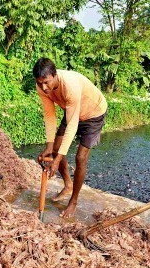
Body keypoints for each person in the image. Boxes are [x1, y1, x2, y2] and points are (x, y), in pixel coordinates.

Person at [33, 58, 107, 218]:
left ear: (55, 75)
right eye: (40, 83)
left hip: (93, 113)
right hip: (71, 111)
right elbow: (49, 115)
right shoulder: (41, 87)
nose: (44, 87)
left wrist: (58, 159)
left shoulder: (70, 85)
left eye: (46, 82)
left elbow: (72, 126)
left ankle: (73, 201)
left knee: (80, 158)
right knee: (56, 149)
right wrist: (49, 147)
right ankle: (67, 185)